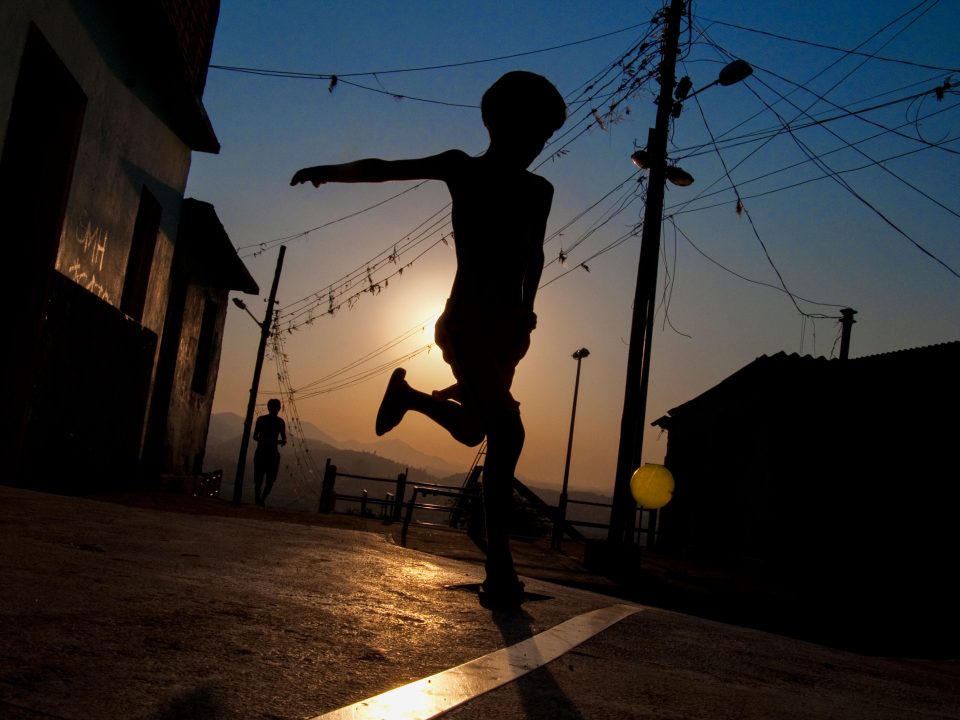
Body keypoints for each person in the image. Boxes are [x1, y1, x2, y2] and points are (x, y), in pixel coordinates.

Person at [291, 71, 566, 608]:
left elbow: (533, 255)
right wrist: (328, 171)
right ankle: (500, 571)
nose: (536, 145)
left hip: (507, 331)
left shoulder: (539, 190)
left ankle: (410, 397)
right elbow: (388, 170)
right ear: (498, 123)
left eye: (544, 137)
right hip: (463, 322)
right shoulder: (462, 168)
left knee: (471, 430)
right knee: (507, 433)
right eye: (532, 131)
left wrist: (528, 315)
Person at [253, 398, 287, 507]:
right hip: (270, 454)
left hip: (263, 452)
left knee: (262, 479)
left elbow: (255, 436)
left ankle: (259, 499)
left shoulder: (262, 420)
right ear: (279, 409)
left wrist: (265, 441)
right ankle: (260, 499)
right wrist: (275, 442)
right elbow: (284, 440)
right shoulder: (279, 422)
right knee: (267, 479)